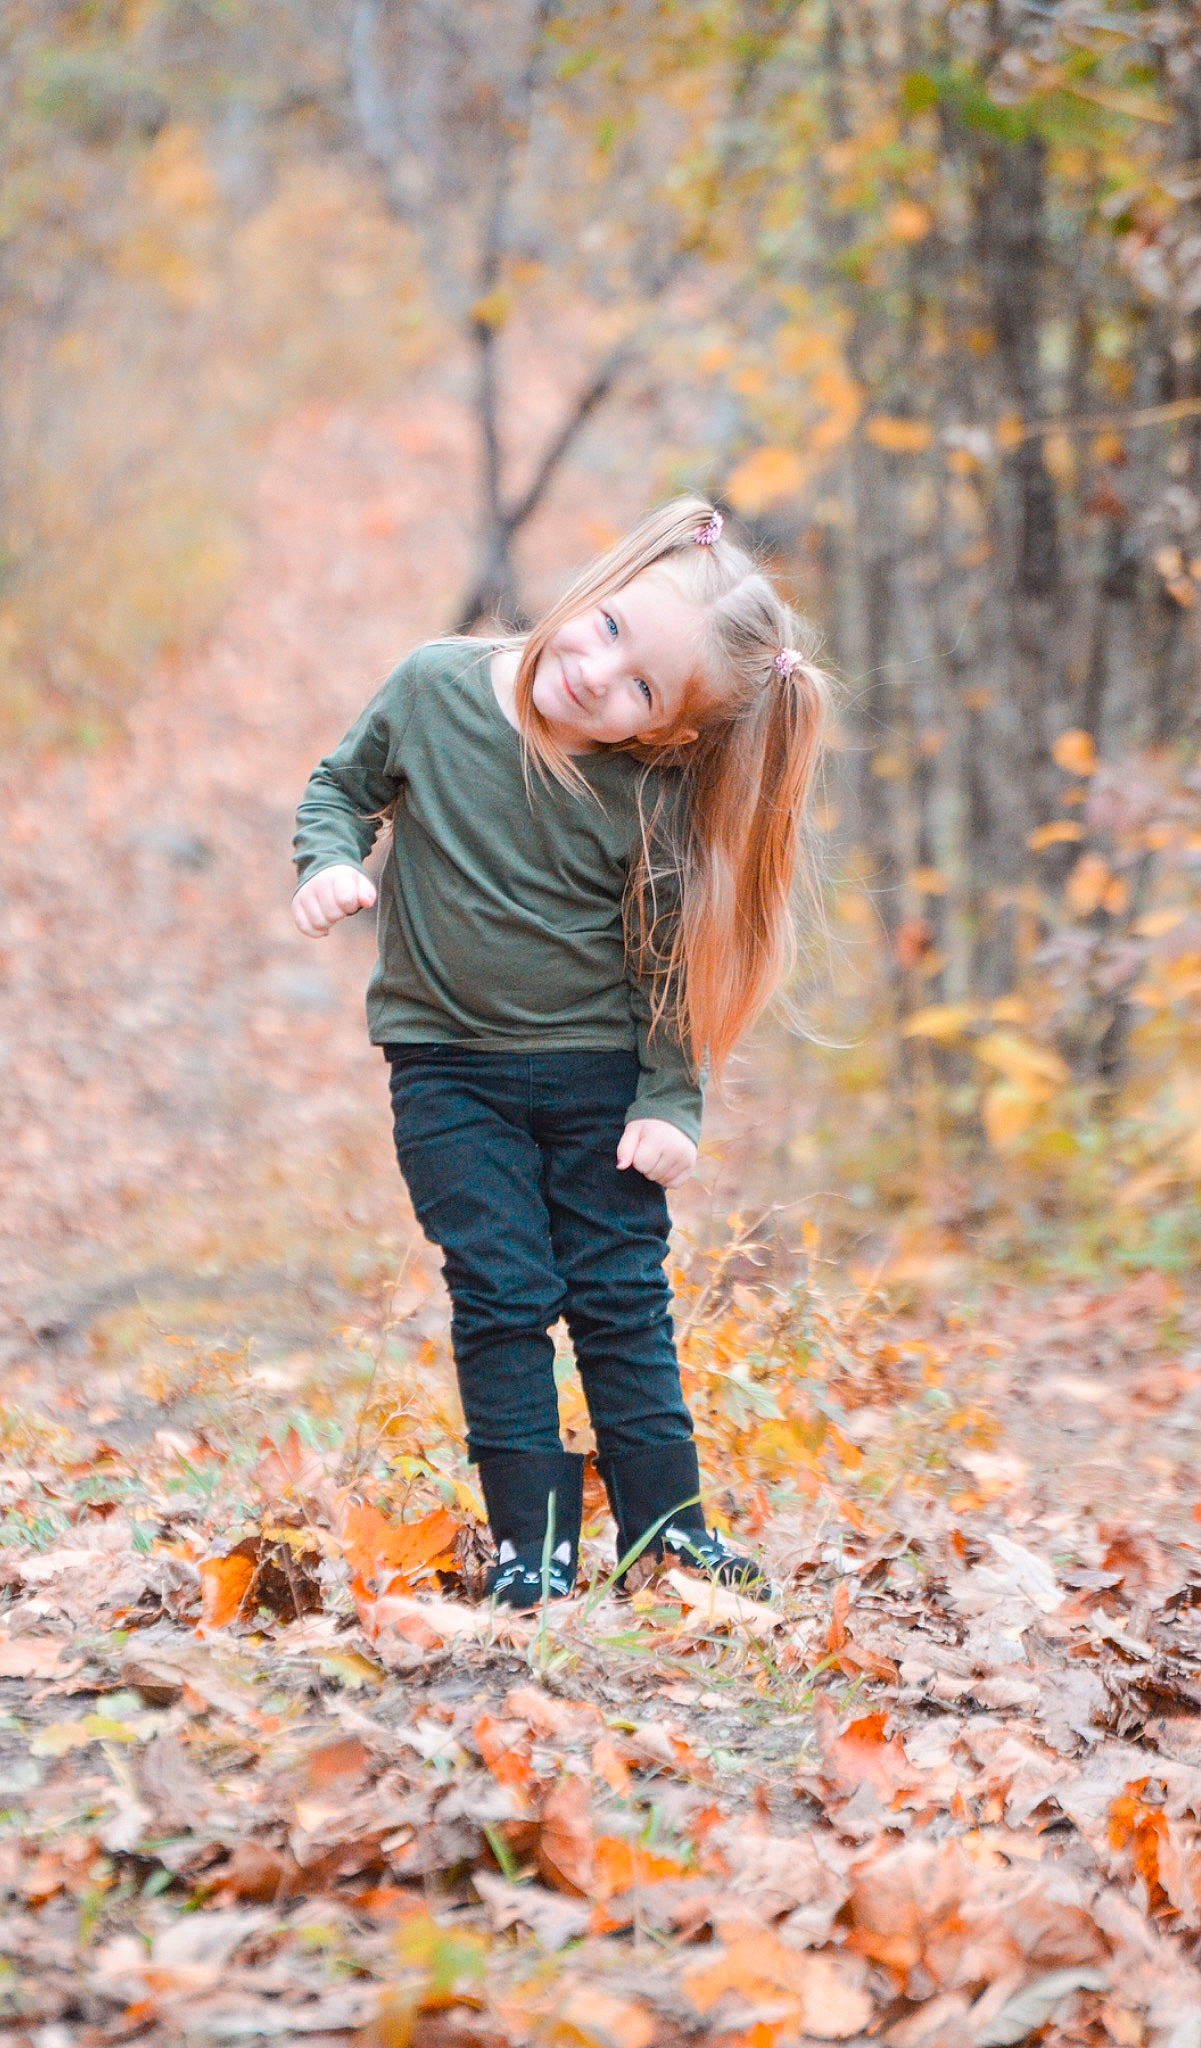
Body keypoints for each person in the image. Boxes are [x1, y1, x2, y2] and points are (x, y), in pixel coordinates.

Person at [291, 496, 828, 1610]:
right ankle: (531, 1547)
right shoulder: (435, 688)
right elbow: (341, 787)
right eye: (611, 629)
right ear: (598, 582)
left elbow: (675, 960)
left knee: (617, 1299)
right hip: (444, 1071)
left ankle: (668, 1535)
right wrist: (327, 863)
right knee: (499, 1291)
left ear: (667, 731)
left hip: (596, 1084)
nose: (597, 673)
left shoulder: (648, 795)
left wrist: (670, 1100)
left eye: (641, 688)